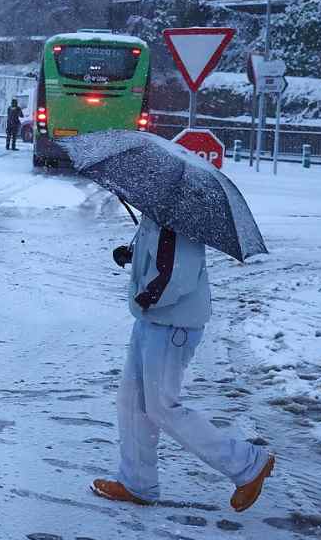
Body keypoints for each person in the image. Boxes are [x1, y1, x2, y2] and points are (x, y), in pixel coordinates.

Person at [92, 214, 275, 512]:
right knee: (132, 402)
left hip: (172, 326)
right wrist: (134, 256)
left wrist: (147, 296)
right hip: (151, 322)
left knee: (162, 408)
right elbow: (161, 259)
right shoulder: (157, 213)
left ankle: (247, 463)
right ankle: (137, 483)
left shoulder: (178, 218)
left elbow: (179, 274)